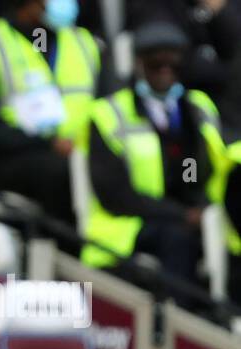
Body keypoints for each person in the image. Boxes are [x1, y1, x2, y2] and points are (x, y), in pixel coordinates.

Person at [82, 21, 226, 287]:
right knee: (178, 239)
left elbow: (206, 170)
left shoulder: (198, 108)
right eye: (155, 65)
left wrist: (202, 208)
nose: (165, 73)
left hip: (197, 217)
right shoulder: (108, 114)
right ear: (138, 64)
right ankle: (178, 317)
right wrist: (181, 215)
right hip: (130, 223)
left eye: (173, 66)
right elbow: (115, 195)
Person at [0, 0, 104, 224]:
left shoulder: (84, 43)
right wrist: (47, 143)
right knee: (57, 172)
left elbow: (107, 106)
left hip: (78, 152)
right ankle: (65, 247)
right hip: (6, 158)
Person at [130, 0, 241, 127]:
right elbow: (158, 47)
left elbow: (235, 47)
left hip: (225, 106)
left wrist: (219, 8)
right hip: (172, 102)